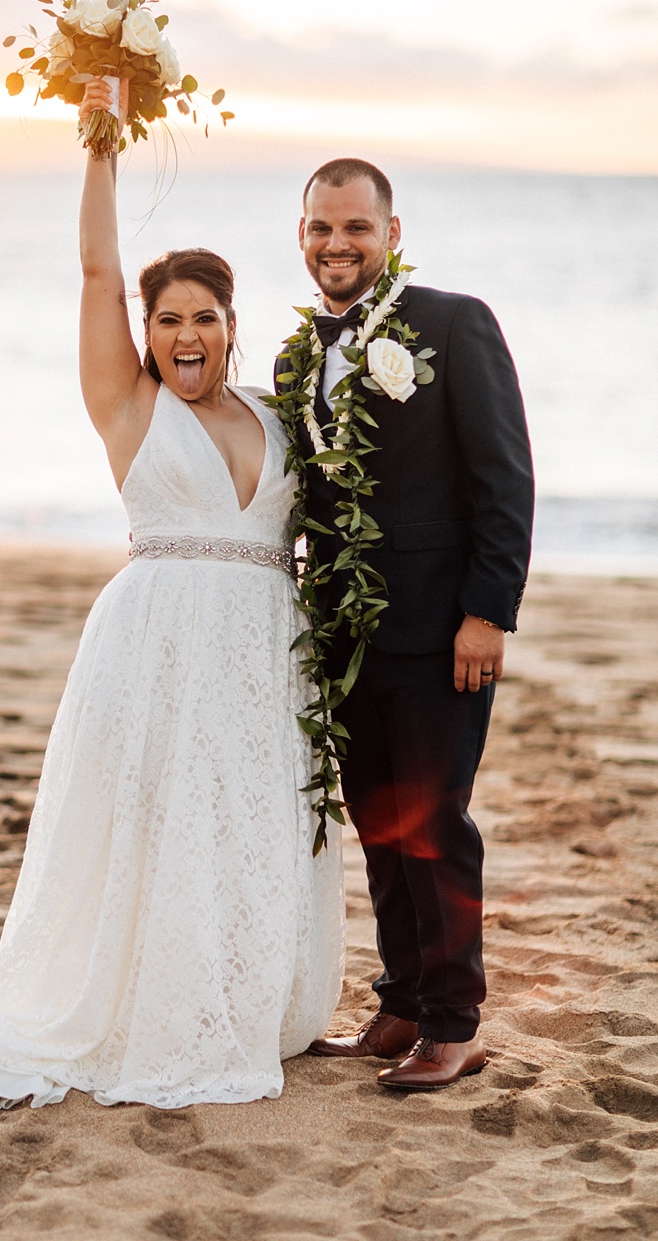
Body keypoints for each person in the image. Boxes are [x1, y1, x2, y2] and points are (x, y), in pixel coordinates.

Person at [0, 78, 343, 1110]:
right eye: (166, 319)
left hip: (263, 645)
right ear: (144, 331)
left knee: (245, 818)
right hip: (155, 635)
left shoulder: (279, 414)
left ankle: (243, 994)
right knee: (154, 819)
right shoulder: (125, 404)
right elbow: (97, 266)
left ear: (232, 323)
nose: (184, 334)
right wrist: (99, 133)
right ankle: (144, 1000)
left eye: (203, 317)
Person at [288, 158, 531, 1091]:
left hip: (442, 630)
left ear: (391, 233)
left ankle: (454, 1022)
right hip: (346, 633)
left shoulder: (453, 322)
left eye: (355, 228)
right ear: (301, 235)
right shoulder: (297, 355)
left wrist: (487, 613)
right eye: (320, 228)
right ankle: (398, 1001)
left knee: (436, 820)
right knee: (379, 821)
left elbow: (503, 478)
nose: (337, 244)